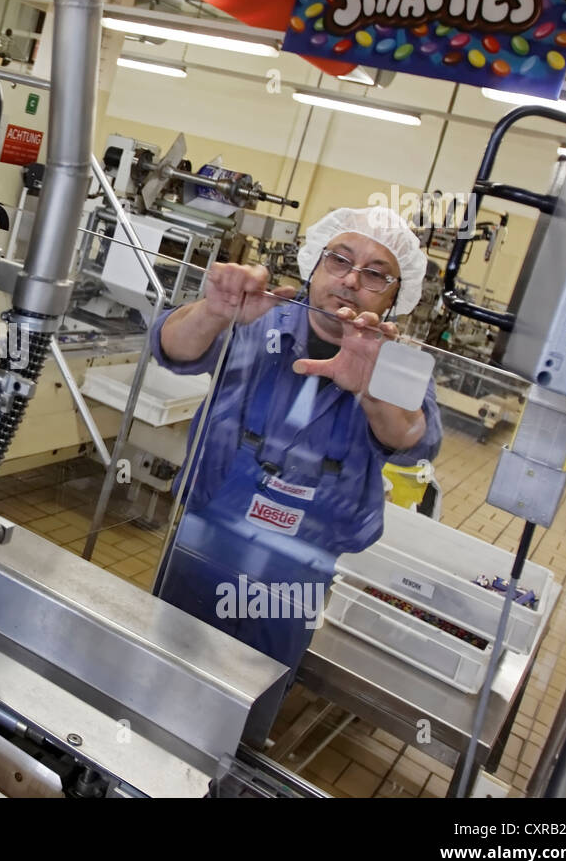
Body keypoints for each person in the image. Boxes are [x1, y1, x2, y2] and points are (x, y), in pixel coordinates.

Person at [151, 206, 442, 689]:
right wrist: (212, 312)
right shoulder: (256, 319)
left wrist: (374, 390)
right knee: (163, 662)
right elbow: (170, 348)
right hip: (208, 534)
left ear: (396, 297)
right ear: (314, 263)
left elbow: (416, 440)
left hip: (300, 567)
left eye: (375, 274)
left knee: (258, 685)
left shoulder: (395, 364)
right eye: (339, 260)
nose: (350, 280)